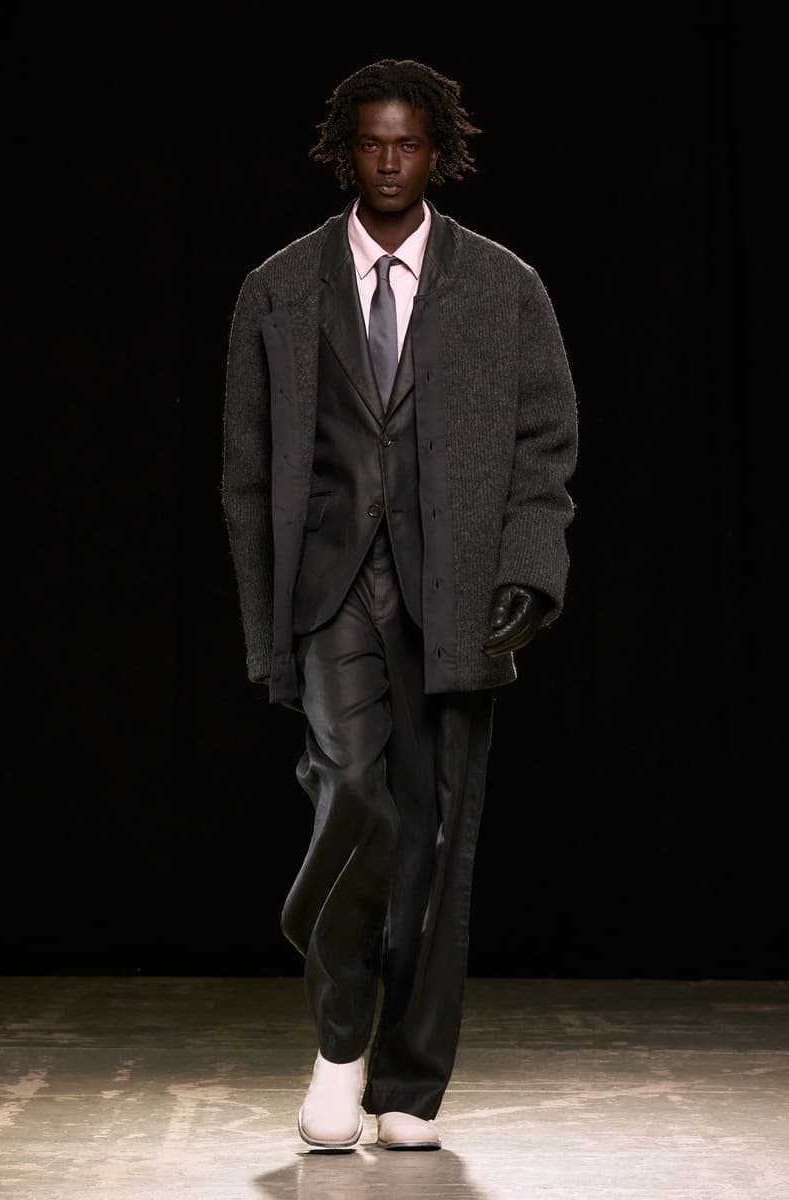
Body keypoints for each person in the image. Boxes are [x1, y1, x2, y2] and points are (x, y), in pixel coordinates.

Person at [221, 57, 578, 1152]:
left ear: (438, 154)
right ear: (345, 152)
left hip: (452, 593)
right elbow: (245, 475)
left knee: (436, 836)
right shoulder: (279, 288)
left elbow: (545, 446)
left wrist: (528, 571)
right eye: (370, 144)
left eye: (407, 144)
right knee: (354, 797)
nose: (388, 162)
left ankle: (408, 1088)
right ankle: (340, 1046)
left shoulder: (504, 286)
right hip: (328, 590)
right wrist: (263, 629)